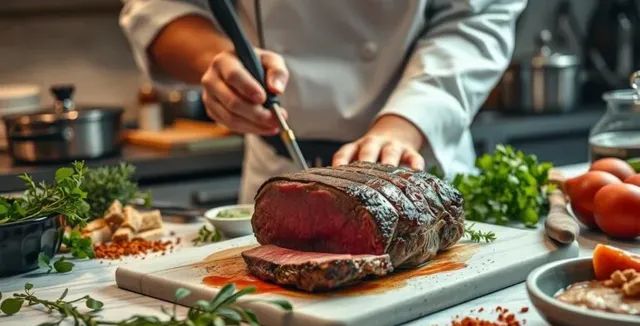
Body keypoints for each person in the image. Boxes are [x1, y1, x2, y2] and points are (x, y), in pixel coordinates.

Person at [120, 0, 527, 204]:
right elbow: (156, 7)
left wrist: (403, 126)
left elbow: (478, 16)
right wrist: (217, 60)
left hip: (418, 161)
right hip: (276, 166)